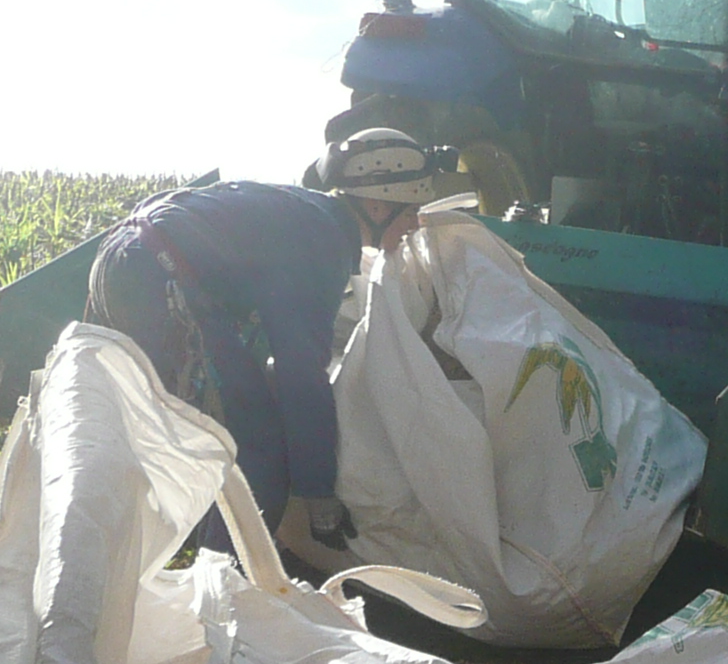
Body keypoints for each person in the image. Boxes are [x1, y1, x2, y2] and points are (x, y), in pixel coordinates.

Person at [84, 128, 471, 547]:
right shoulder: (323, 242)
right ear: (377, 205)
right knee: (259, 451)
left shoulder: (306, 213)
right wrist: (318, 493)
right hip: (162, 279)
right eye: (410, 210)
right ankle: (224, 590)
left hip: (125, 259)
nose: (415, 224)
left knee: (210, 423)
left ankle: (179, 557)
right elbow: (301, 374)